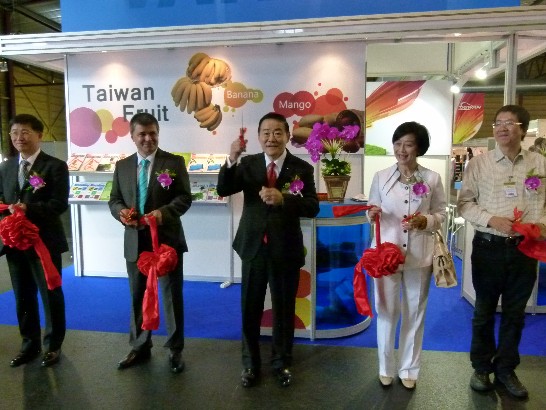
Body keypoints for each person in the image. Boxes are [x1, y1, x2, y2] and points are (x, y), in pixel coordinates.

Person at [217, 112, 319, 388]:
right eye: (265, 132)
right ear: (259, 136)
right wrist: (231, 159)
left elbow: (312, 206)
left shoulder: (301, 168)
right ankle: (250, 364)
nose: (271, 138)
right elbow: (223, 188)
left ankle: (282, 362)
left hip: (285, 249)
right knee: (250, 308)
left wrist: (283, 198)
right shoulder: (248, 164)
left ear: (287, 135)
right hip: (253, 248)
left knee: (284, 310)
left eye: (277, 132)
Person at [458, 105, 546, 399]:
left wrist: (540, 226)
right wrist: (491, 219)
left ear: (523, 128)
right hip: (489, 246)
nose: (502, 128)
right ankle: (481, 368)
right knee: (483, 311)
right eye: (498, 123)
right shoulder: (479, 165)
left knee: (515, 314)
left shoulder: (539, 163)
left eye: (510, 123)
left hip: (526, 248)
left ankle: (506, 369)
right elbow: (465, 204)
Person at [108, 112, 192, 373]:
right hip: (135, 240)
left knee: (170, 295)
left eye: (152, 133)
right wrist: (121, 213)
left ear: (158, 134)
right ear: (132, 137)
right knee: (137, 295)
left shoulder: (174, 162)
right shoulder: (122, 167)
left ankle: (175, 349)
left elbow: (184, 198)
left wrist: (162, 213)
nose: (148, 139)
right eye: (142, 134)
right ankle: (140, 346)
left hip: (166, 241)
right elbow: (114, 200)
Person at [367, 121, 446, 390]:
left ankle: (409, 368)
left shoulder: (432, 178)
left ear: (419, 147)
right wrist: (371, 214)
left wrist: (427, 221)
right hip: (386, 256)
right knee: (386, 311)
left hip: (418, 255)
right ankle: (385, 367)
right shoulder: (380, 177)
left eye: (408, 144)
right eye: (398, 143)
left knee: (415, 312)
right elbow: (371, 211)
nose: (402, 150)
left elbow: (442, 214)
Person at [0, 114, 69, 367]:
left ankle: (53, 345)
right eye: (14, 132)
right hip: (15, 243)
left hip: (44, 242)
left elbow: (59, 204)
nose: (19, 137)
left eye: (26, 132)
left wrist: (28, 209)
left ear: (39, 135)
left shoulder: (55, 166)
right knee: (22, 296)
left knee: (50, 293)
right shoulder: (6, 166)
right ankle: (29, 344)